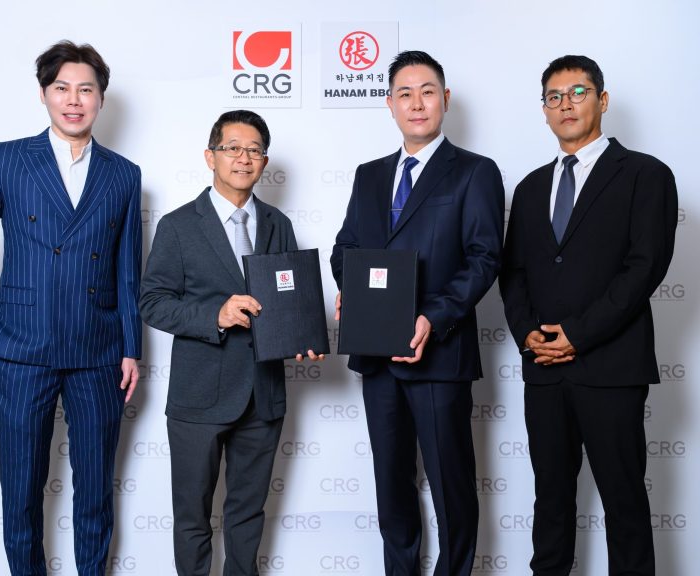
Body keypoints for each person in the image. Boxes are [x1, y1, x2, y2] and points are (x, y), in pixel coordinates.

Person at [0, 40, 142, 575]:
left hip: (98, 350)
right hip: (20, 346)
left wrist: (131, 347)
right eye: (62, 88)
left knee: (95, 493)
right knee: (20, 491)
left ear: (101, 98)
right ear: (43, 94)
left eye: (85, 89)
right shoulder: (5, 158)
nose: (73, 100)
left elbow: (127, 269)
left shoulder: (124, 173)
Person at [499, 55, 678, 576]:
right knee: (550, 500)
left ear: (602, 100)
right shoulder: (530, 188)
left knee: (624, 502)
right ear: (544, 110)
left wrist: (577, 334)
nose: (565, 104)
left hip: (611, 368)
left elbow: (645, 267)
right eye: (554, 97)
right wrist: (528, 334)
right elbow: (513, 273)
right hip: (544, 370)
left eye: (577, 92)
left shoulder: (646, 174)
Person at [330, 50, 504, 576]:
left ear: (445, 99)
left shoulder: (474, 171)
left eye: (427, 91)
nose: (417, 103)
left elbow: (483, 258)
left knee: (451, 486)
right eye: (404, 94)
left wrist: (432, 316)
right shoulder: (369, 175)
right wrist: (352, 289)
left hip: (440, 355)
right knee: (392, 486)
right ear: (390, 104)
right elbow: (346, 248)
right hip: (377, 356)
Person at [139, 110, 322, 576]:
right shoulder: (179, 226)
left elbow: (290, 296)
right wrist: (214, 316)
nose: (244, 158)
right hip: (198, 395)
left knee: (247, 515)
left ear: (265, 162)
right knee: (192, 517)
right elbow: (153, 303)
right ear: (211, 156)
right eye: (233, 148)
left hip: (263, 394)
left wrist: (302, 334)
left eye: (254, 150)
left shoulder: (278, 223)